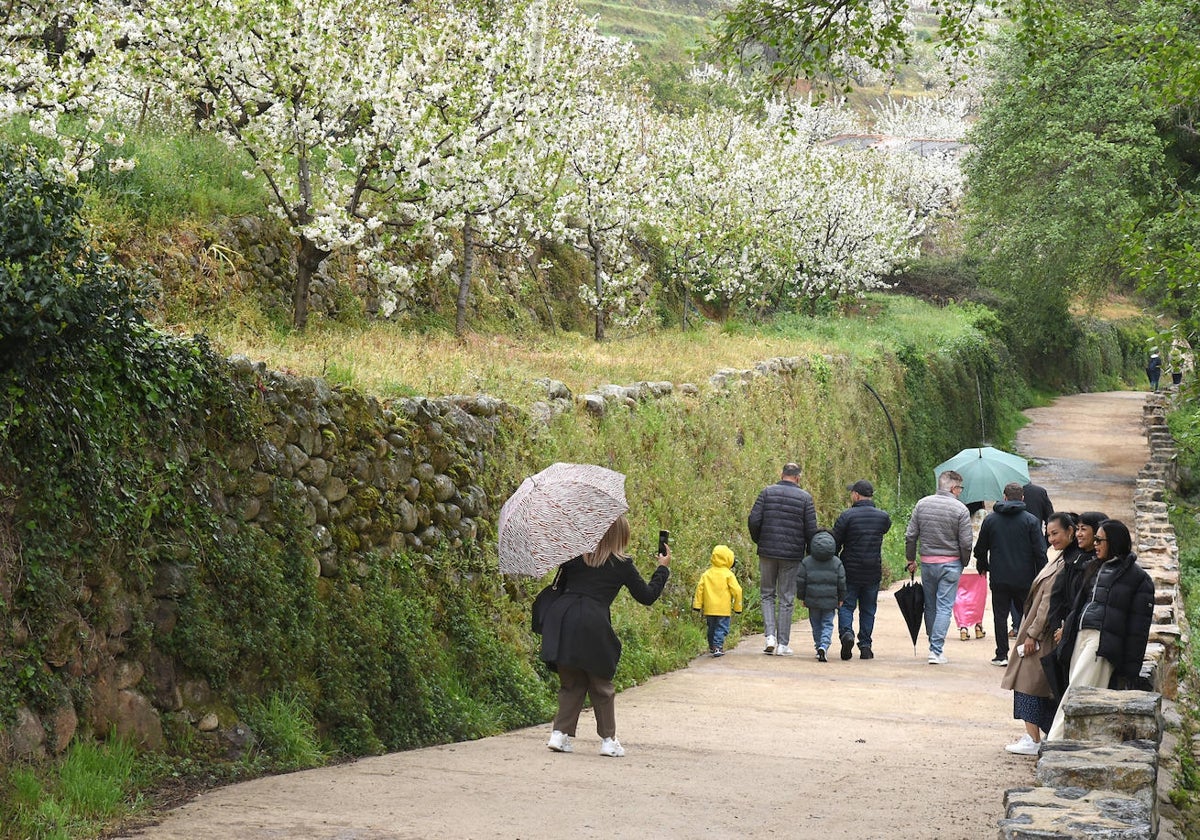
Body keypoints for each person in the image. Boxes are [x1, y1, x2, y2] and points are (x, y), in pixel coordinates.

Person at [540, 514, 671, 757]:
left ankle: (559, 735)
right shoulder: (621, 564)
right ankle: (608, 741)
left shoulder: (575, 556)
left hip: (562, 618)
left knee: (571, 682)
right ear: (621, 536)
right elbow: (647, 596)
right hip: (592, 622)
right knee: (600, 683)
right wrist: (662, 569)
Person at [1046, 519, 1155, 741]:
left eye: (1099, 540)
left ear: (1113, 542)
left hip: (1102, 643)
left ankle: (1055, 741)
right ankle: (1066, 742)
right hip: (1081, 636)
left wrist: (1130, 671)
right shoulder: (1094, 567)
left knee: (1078, 691)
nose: (1094, 544)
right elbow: (1079, 606)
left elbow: (1138, 629)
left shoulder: (1138, 579)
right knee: (1078, 691)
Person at [1001, 512, 1078, 756]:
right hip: (1040, 631)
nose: (1051, 538)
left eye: (1056, 533)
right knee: (1034, 684)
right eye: (1049, 534)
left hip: (1041, 634)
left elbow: (1048, 602)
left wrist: (1032, 634)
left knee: (1029, 684)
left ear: (1071, 531)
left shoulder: (1067, 562)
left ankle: (1033, 738)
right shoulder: (1063, 558)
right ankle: (1037, 735)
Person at [973, 483, 1048, 667]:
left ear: (1004, 497)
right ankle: (1024, 651)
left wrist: (983, 565)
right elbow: (1040, 551)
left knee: (1000, 615)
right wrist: (1043, 574)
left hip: (999, 577)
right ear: (1022, 498)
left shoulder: (991, 520)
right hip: (1025, 578)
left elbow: (981, 548)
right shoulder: (1030, 520)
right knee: (1026, 615)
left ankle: (1001, 655)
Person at [748, 462, 817, 657]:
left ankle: (769, 637)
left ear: (782, 474)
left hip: (767, 552)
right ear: (798, 478)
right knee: (786, 598)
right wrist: (809, 554)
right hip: (792, 555)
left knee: (767, 594)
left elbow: (753, 520)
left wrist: (760, 540)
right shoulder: (805, 498)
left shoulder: (767, 492)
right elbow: (811, 530)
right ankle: (782, 644)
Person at [905, 470, 973, 665]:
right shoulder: (960, 510)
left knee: (931, 605)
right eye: (960, 488)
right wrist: (964, 561)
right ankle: (936, 650)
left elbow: (911, 535)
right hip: (951, 564)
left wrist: (911, 558)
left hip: (928, 562)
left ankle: (932, 646)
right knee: (944, 606)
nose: (960, 492)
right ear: (953, 488)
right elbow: (966, 543)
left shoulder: (922, 504)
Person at [832, 479, 892, 660]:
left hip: (849, 569)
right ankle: (865, 645)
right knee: (868, 609)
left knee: (846, 605)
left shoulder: (846, 516)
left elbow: (835, 542)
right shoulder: (882, 517)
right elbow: (885, 529)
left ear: (856, 495)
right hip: (872, 570)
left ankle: (846, 634)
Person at [796, 529, 847, 662]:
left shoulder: (806, 562)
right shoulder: (837, 562)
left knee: (816, 624)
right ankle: (824, 645)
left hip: (812, 600)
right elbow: (841, 582)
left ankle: (818, 645)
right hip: (830, 601)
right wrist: (841, 597)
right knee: (828, 623)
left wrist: (802, 597)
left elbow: (801, 581)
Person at [693, 544, 744, 657]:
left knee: (711, 628)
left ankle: (712, 646)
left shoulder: (706, 574)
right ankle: (717, 646)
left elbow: (699, 590)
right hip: (723, 609)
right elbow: (737, 591)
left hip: (709, 608)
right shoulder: (728, 575)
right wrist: (737, 607)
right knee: (721, 628)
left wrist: (697, 605)